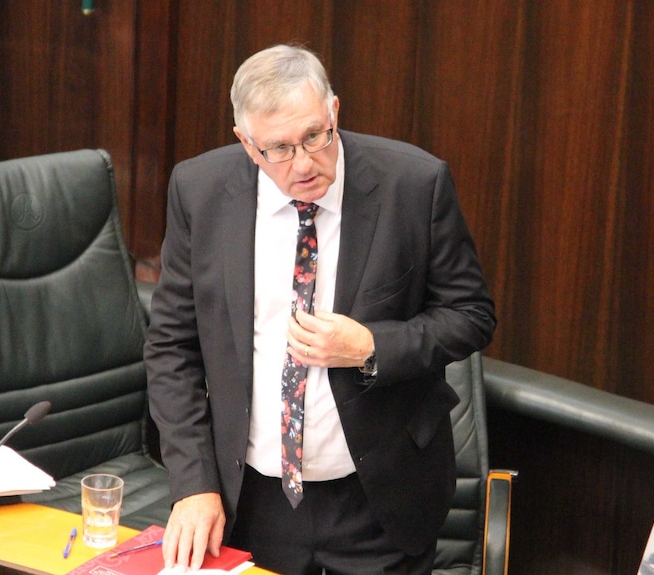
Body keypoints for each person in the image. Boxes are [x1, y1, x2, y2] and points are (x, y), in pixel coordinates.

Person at [144, 44, 497, 575]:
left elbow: (472, 314)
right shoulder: (200, 191)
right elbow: (172, 346)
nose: (305, 163)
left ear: (334, 110)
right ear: (247, 143)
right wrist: (194, 484)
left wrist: (371, 347)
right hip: (250, 501)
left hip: (378, 501)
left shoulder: (414, 185)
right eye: (279, 148)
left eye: (314, 135)